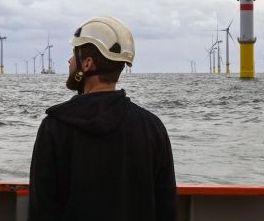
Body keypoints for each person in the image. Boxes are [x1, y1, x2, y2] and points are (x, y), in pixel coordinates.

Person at [28, 17, 176, 221]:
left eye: (74, 54)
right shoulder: (152, 127)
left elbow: (42, 209)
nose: (70, 62)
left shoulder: (54, 127)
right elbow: (166, 207)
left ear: (87, 64)